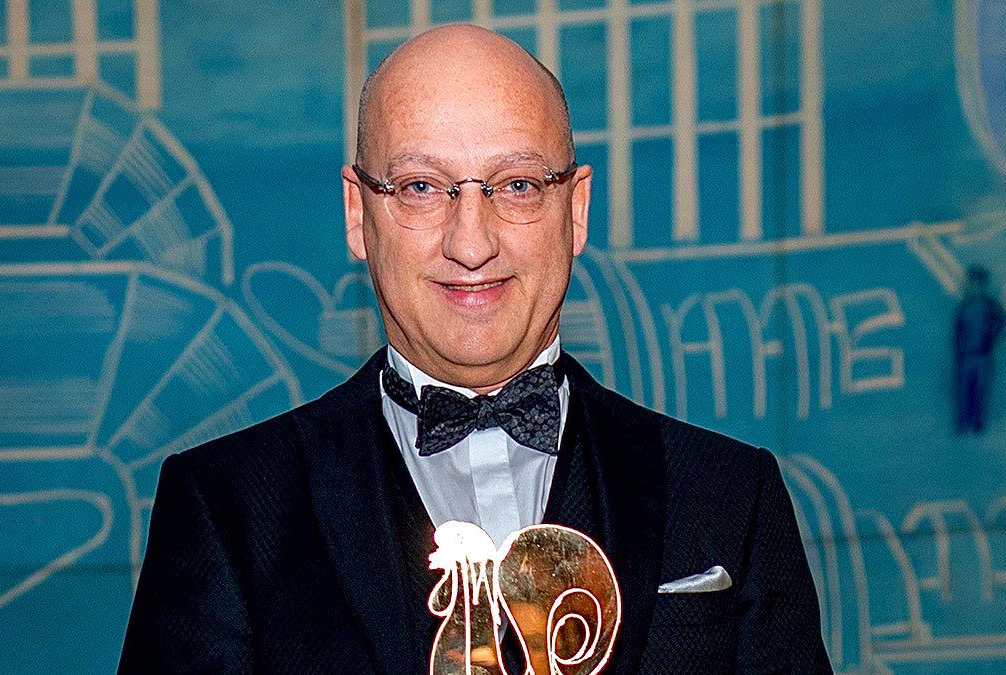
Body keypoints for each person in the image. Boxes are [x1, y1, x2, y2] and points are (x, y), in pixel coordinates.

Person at [119, 25, 830, 673]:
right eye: (420, 187)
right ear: (358, 213)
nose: (470, 243)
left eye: (516, 185)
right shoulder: (228, 508)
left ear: (575, 209)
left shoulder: (730, 495)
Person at [955, 265, 1005, 434]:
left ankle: (977, 421)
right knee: (964, 388)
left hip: (982, 354)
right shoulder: (965, 305)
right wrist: (959, 348)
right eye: (972, 283)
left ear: (982, 284)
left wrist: (991, 337)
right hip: (966, 355)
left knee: (979, 388)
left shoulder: (989, 304)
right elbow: (958, 329)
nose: (973, 286)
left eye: (976, 283)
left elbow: (1001, 321)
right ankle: (963, 420)